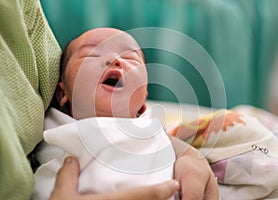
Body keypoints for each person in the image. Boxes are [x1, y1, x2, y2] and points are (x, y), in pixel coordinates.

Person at [0, 1, 218, 200]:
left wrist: (187, 153)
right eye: (91, 55)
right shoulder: (51, 127)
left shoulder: (152, 127)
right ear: (62, 95)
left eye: (130, 57)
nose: (114, 60)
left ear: (142, 104)